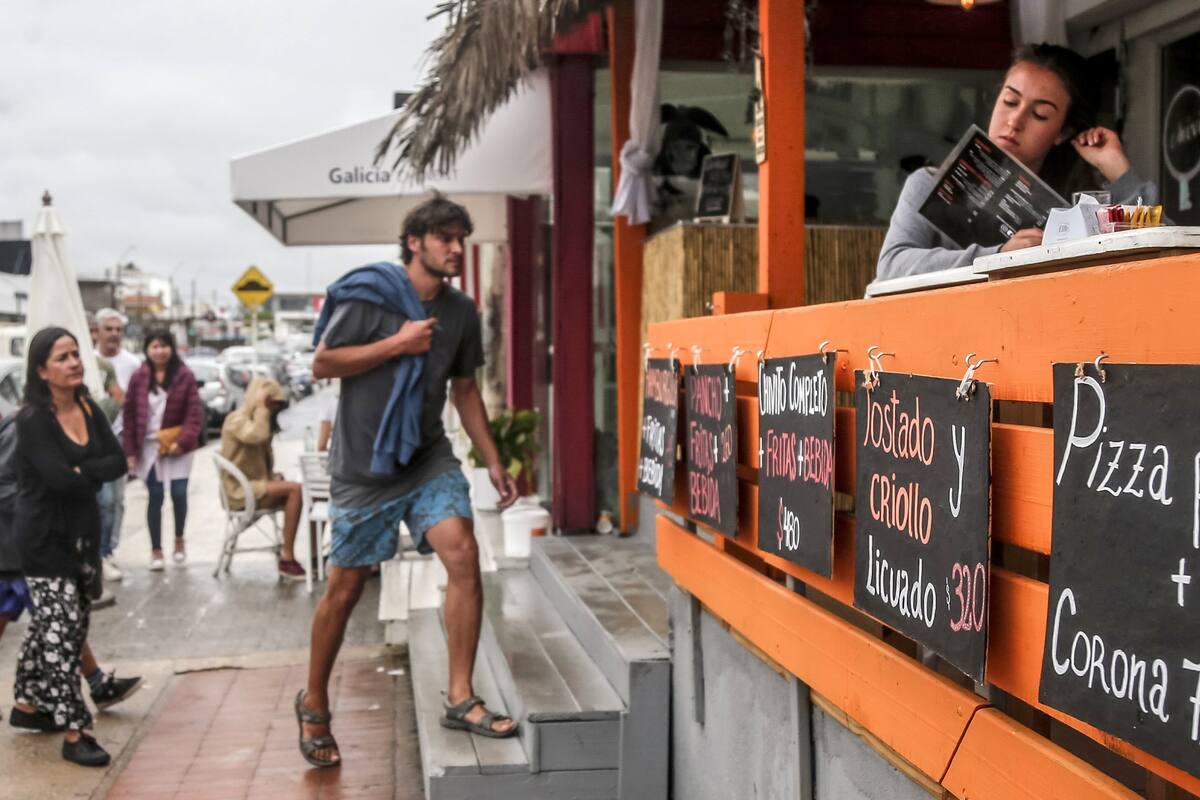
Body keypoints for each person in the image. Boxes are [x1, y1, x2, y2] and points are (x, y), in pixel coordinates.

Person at [295, 195, 519, 769]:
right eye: (445, 237)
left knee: (462, 552)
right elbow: (323, 362)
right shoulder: (370, 297)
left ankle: (461, 695)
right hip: (363, 468)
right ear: (414, 242)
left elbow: (464, 389)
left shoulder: (461, 312)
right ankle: (314, 700)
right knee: (345, 590)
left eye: (461, 238)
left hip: (426, 459)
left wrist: (493, 459)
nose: (456, 248)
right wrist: (398, 343)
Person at [876, 43, 1160, 280]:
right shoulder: (930, 183)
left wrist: (1119, 171)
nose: (1015, 121)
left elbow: (1159, 255)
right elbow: (891, 266)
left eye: (1040, 115)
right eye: (1010, 102)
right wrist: (999, 256)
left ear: (1063, 131)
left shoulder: (1075, 207)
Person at [11, 327, 129, 766]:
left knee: (63, 626)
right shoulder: (32, 420)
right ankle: (76, 730)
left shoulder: (88, 407)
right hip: (43, 540)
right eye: (62, 357)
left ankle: (27, 704)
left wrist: (82, 471)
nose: (75, 362)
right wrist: (85, 472)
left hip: (82, 536)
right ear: (42, 371)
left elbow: (118, 461)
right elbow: (59, 480)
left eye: (75, 354)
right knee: (62, 635)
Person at [0, 378, 142, 731]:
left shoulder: (54, 420)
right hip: (23, 544)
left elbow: (112, 462)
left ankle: (39, 700)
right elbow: (8, 483)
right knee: (60, 619)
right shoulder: (26, 424)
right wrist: (38, 511)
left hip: (26, 542)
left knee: (54, 619)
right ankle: (82, 707)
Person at [121, 330, 203, 571]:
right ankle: (156, 550)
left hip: (177, 446)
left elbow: (194, 414)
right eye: (154, 346)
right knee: (155, 496)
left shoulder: (184, 375)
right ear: (147, 349)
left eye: (164, 346)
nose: (159, 351)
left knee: (179, 493)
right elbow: (129, 415)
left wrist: (183, 442)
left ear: (172, 348)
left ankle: (179, 539)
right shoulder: (139, 377)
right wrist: (130, 452)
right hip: (149, 447)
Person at [218, 376, 306, 580]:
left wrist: (274, 477)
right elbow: (256, 435)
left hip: (254, 486)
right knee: (295, 490)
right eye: (270, 403)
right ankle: (287, 557)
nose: (272, 409)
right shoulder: (237, 420)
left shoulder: (261, 422)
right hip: (240, 492)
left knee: (296, 491)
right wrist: (260, 407)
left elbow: (263, 463)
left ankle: (297, 553)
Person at [92, 308, 138, 582]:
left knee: (117, 501)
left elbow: (134, 406)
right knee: (104, 501)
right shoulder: (87, 361)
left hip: (119, 437)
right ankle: (101, 553)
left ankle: (109, 549)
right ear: (97, 331)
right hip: (93, 441)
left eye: (118, 329)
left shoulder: (132, 363)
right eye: (108, 329)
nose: (114, 334)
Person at [88, 314, 126, 589]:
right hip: (81, 449)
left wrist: (100, 415)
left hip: (110, 442)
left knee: (112, 502)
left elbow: (119, 398)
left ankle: (105, 553)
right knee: (100, 503)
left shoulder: (105, 367)